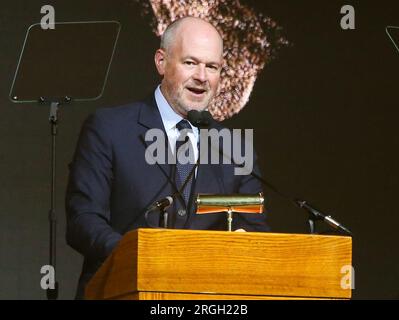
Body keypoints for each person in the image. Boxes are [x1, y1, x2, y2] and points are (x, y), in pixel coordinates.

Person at [65, 16, 269, 300]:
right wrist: (138, 257)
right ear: (161, 62)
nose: (201, 76)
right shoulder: (109, 128)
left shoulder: (233, 147)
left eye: (212, 67)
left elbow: (254, 231)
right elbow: (83, 221)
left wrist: (245, 248)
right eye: (190, 62)